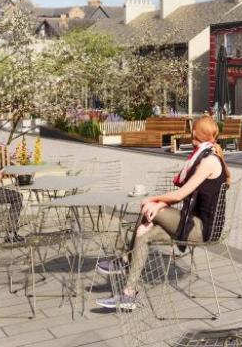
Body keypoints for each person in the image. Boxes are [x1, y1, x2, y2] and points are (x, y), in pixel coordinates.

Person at [96, 116, 230, 310]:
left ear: (195, 134)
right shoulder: (205, 154)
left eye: (193, 130)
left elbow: (182, 194)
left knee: (147, 208)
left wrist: (155, 201)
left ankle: (125, 260)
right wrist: (158, 203)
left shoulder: (209, 161)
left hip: (201, 229)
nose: (191, 133)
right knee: (143, 234)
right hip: (191, 222)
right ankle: (128, 294)